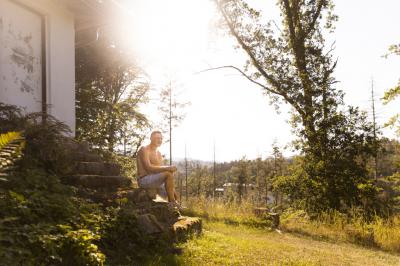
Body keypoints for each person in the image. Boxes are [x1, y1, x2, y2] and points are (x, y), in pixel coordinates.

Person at [136, 131, 180, 208]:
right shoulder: (144, 149)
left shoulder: (158, 153)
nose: (159, 140)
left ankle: (173, 201)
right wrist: (168, 168)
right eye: (157, 138)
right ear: (151, 138)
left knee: (175, 195)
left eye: (161, 138)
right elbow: (148, 167)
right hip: (144, 180)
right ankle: (172, 203)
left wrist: (172, 189)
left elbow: (160, 170)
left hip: (155, 180)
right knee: (168, 173)